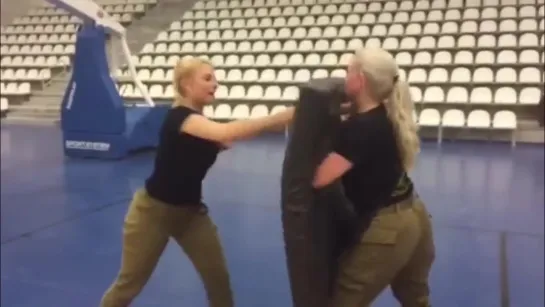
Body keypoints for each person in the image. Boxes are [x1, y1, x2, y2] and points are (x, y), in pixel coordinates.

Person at [100, 56, 295, 307]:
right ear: (186, 85)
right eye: (207, 78)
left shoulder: (200, 124)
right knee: (128, 286)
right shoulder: (180, 118)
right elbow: (226, 133)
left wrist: (277, 126)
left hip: (191, 215)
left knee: (218, 282)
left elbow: (225, 137)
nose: (215, 83)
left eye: (215, 78)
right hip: (152, 213)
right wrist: (279, 117)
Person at [312, 47, 435, 307]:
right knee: (416, 299)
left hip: (391, 227)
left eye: (349, 71)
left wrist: (310, 127)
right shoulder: (388, 114)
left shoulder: (360, 129)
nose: (345, 78)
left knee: (343, 300)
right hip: (416, 214)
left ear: (361, 80)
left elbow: (319, 178)